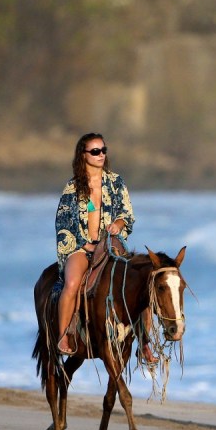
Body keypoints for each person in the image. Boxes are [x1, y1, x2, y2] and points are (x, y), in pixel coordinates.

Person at [54, 132, 151, 360]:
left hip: (110, 246)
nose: (101, 155)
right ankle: (64, 335)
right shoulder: (72, 187)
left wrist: (118, 223)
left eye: (103, 150)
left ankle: (144, 342)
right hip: (80, 247)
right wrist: (82, 244)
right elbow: (63, 222)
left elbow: (127, 214)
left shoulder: (116, 182)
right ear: (83, 155)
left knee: (140, 282)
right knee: (71, 283)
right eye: (95, 151)